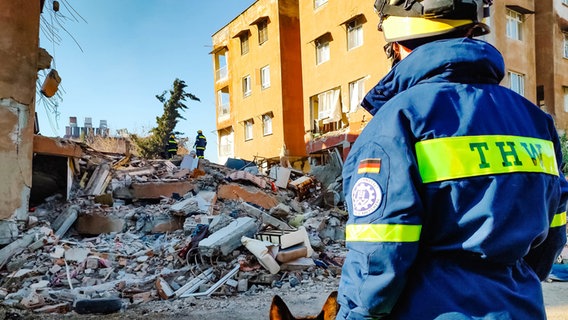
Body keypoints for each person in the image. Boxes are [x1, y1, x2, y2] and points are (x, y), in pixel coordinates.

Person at [337, 1, 568, 319]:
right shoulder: (535, 121)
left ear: (398, 46)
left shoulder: (398, 121)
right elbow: (552, 232)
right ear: (473, 32)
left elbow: (380, 254)